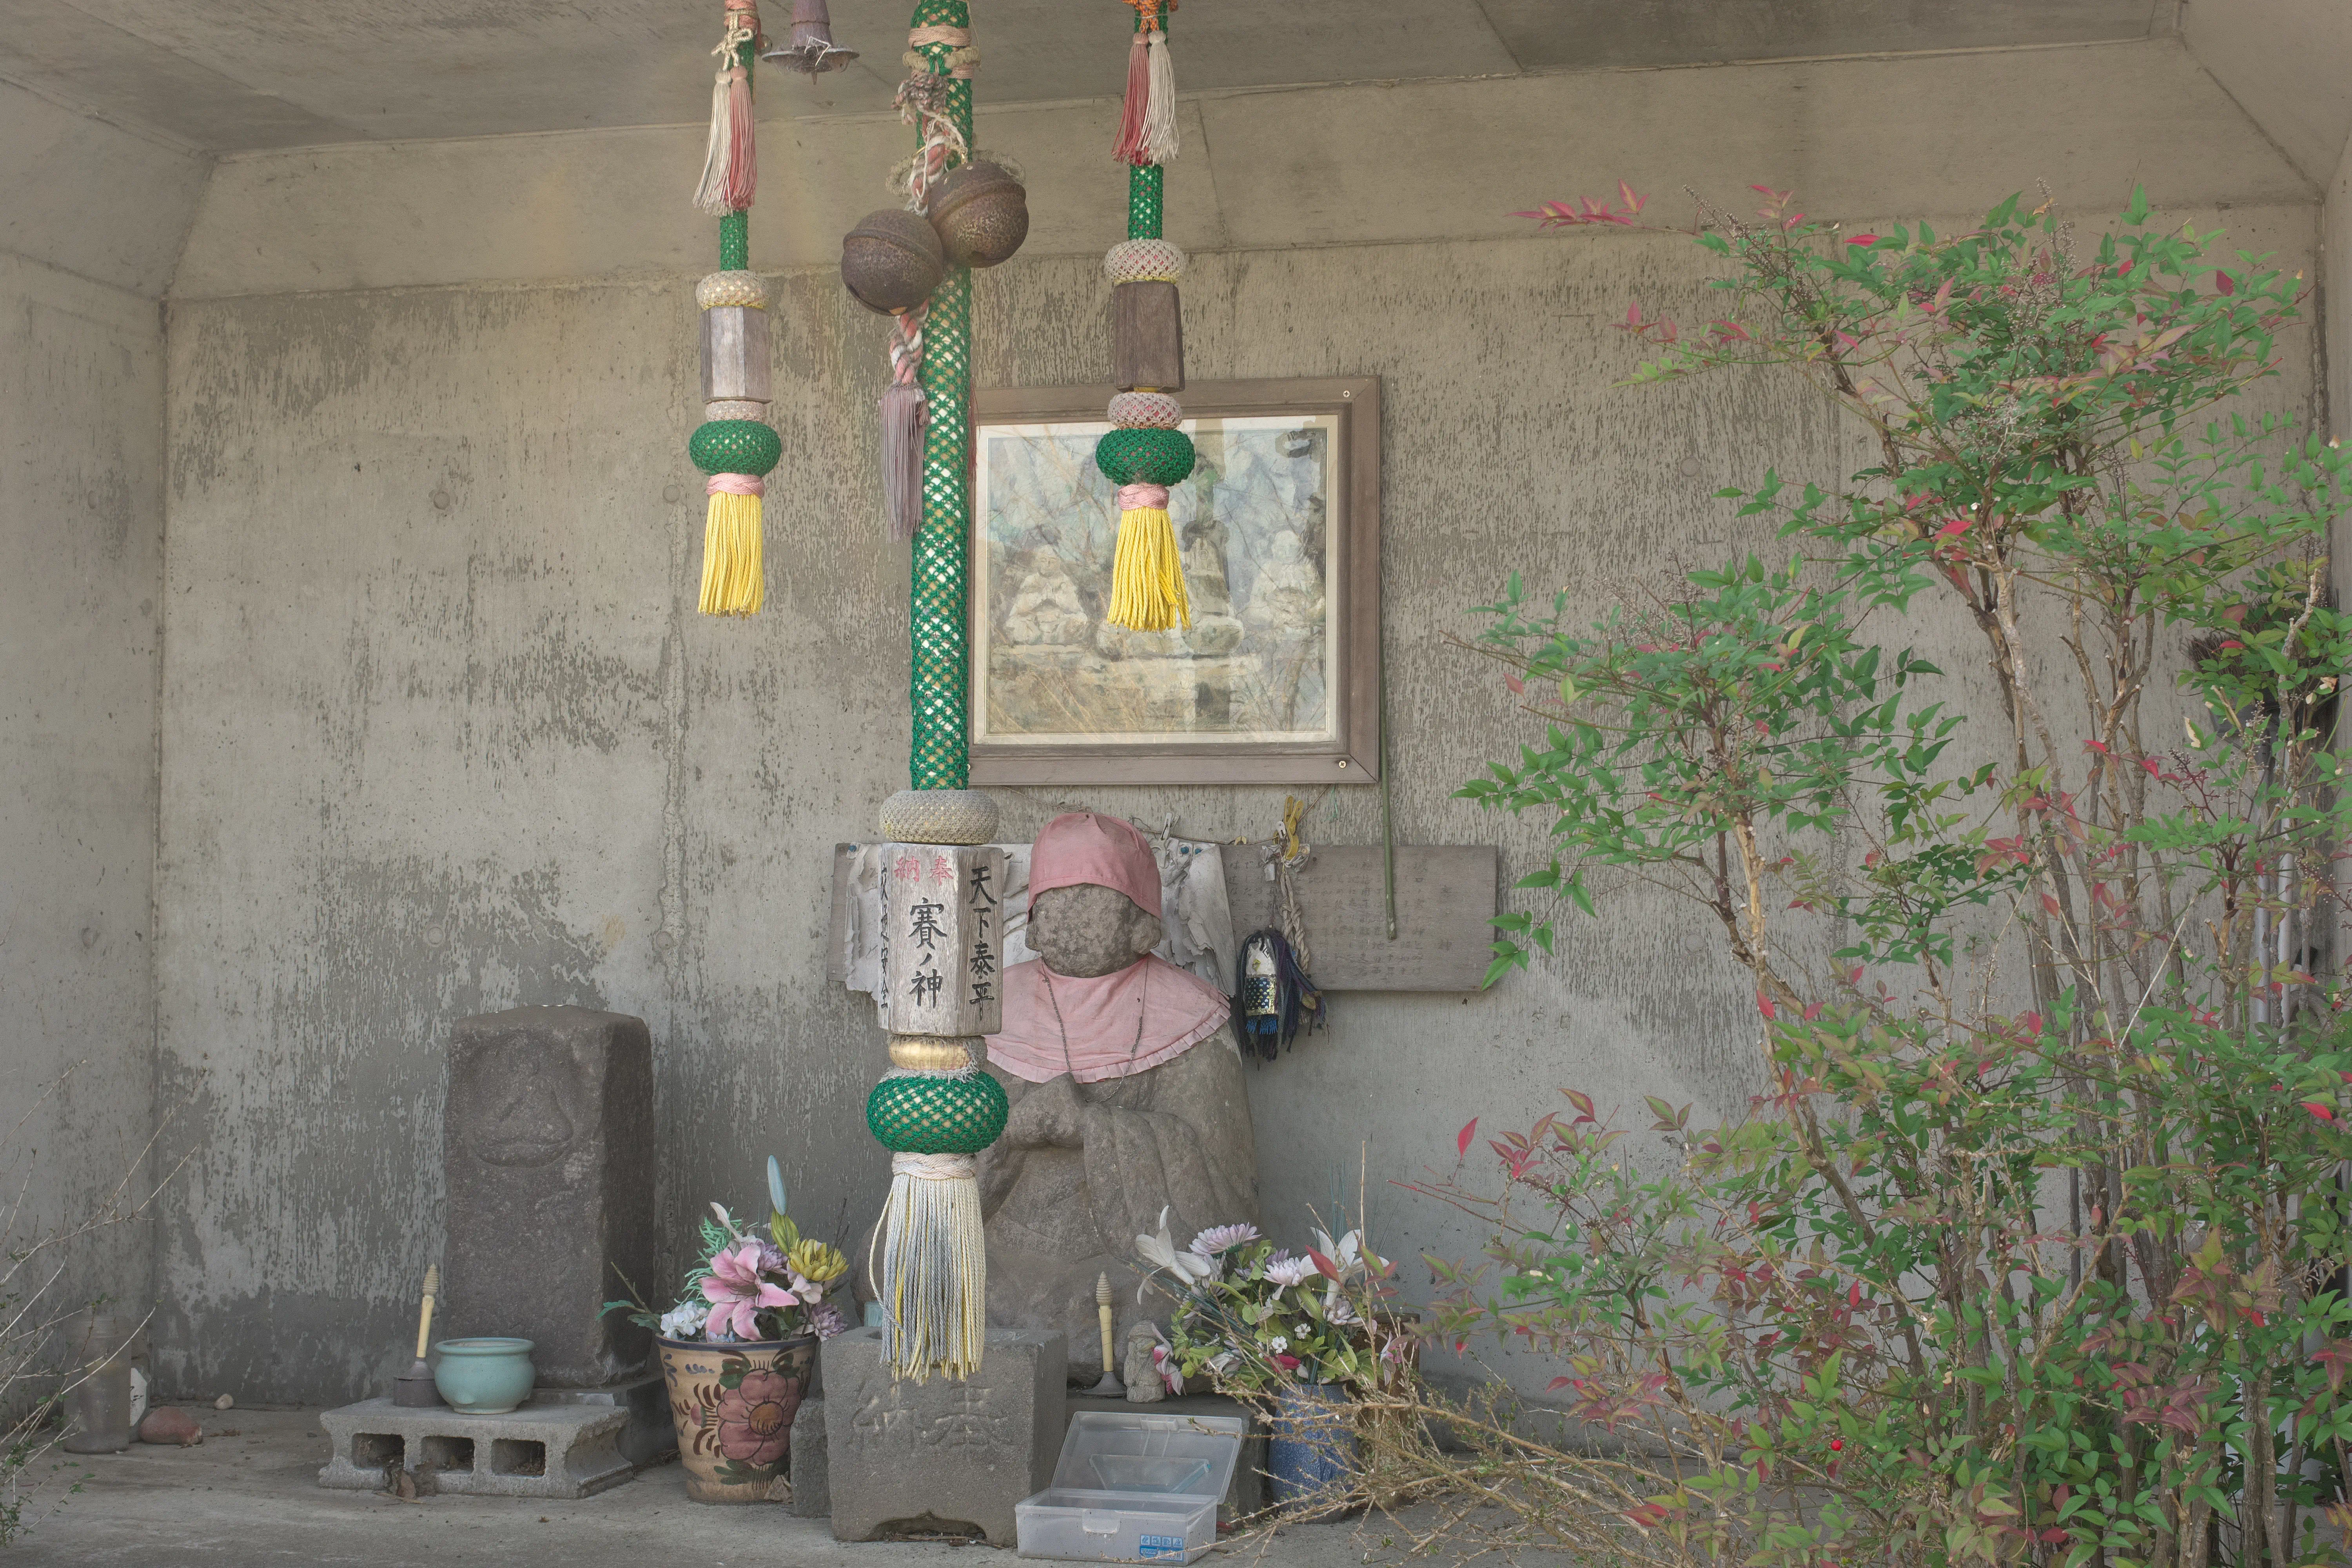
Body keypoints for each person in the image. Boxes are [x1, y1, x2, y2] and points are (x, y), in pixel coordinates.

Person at [978, 813, 1259, 1381]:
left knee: (1201, 1297)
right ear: (1031, 926)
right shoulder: (989, 1009)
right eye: (1052, 901)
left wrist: (1093, 1127)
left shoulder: (1192, 1019)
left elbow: (1225, 1191)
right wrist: (1012, 1131)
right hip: (1002, 1252)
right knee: (898, 1266)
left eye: (1090, 898)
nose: (1067, 915)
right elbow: (939, 1167)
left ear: (1141, 925)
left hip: (1124, 1267)